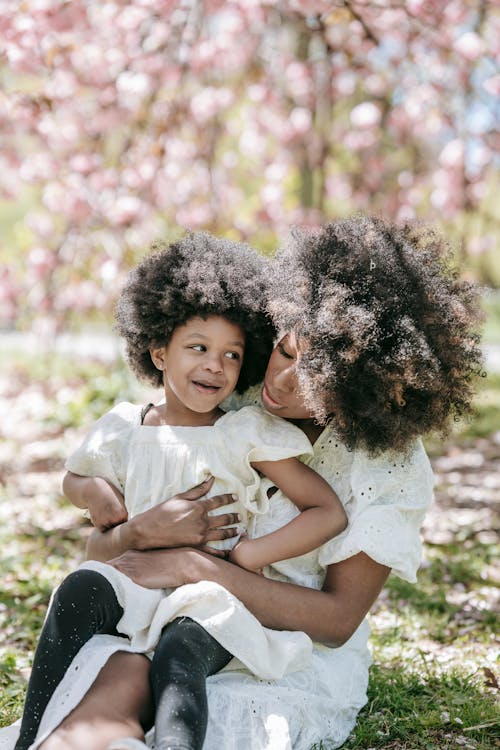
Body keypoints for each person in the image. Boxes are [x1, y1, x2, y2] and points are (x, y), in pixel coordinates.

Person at [1, 216, 482, 750]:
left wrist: (197, 567)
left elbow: (337, 620)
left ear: (361, 382)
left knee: (193, 702)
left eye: (313, 375)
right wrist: (139, 533)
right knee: (100, 707)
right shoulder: (227, 393)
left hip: (288, 653)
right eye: (286, 351)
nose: (278, 381)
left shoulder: (387, 466)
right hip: (165, 613)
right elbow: (105, 552)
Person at [12, 232, 347, 750]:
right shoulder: (125, 427)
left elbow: (326, 511)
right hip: (137, 582)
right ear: (158, 352)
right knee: (78, 589)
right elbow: (72, 477)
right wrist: (93, 491)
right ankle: (30, 733)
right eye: (198, 348)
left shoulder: (243, 433)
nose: (215, 364)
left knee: (180, 652)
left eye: (232, 355)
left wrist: (251, 554)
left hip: (208, 596)